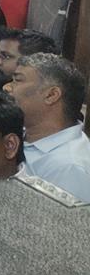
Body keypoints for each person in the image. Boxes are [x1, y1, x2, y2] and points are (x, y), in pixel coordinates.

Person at [6, 53, 90, 201]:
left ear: (51, 95)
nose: (6, 87)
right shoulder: (18, 133)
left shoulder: (70, 167)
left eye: (17, 80)